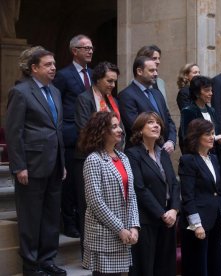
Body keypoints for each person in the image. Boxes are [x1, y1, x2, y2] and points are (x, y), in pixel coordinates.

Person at [5, 48, 67, 276]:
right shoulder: (20, 92)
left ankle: (47, 260)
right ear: (34, 68)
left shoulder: (55, 92)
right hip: (31, 166)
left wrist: (62, 163)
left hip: (54, 165)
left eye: (54, 64)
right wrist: (19, 165)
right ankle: (31, 266)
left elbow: (56, 130)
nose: (53, 68)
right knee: (31, 219)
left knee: (51, 216)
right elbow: (14, 132)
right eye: (48, 64)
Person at [79, 111, 139, 275]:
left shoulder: (123, 157)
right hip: (104, 235)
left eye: (119, 125)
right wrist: (120, 228)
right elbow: (95, 201)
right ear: (102, 131)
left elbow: (131, 195)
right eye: (114, 126)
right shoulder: (93, 160)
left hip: (125, 232)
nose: (120, 129)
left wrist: (134, 226)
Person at [125, 112, 180, 276]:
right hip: (147, 220)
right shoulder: (132, 154)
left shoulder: (163, 153)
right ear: (140, 129)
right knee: (146, 268)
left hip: (168, 219)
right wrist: (162, 213)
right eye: (150, 122)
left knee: (166, 268)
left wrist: (174, 210)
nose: (157, 125)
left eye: (158, 123)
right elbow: (140, 188)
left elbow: (174, 184)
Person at [74, 61, 122, 249]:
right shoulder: (84, 99)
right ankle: (89, 250)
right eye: (109, 81)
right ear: (97, 79)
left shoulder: (112, 100)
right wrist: (103, 152)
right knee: (89, 206)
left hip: (113, 158)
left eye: (114, 81)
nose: (112, 85)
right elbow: (84, 130)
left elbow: (120, 127)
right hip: (90, 159)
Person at [53, 34, 94, 238]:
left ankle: (81, 220)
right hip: (71, 136)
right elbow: (57, 104)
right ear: (74, 51)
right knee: (69, 184)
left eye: (91, 48)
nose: (89, 51)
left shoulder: (95, 74)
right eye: (85, 47)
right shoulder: (63, 75)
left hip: (92, 137)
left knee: (85, 184)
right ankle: (68, 221)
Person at [179, 118, 221, 276]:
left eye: (213, 133)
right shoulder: (188, 160)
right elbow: (188, 196)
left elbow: (219, 191)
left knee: (215, 265)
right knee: (198, 267)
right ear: (196, 137)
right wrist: (196, 225)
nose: (211, 137)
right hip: (198, 223)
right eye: (207, 134)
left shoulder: (213, 159)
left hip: (214, 220)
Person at [118, 56, 176, 152]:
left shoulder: (157, 93)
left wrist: (171, 141)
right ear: (139, 71)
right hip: (141, 152)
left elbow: (168, 120)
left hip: (163, 151)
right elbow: (135, 126)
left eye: (156, 70)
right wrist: (162, 145)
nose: (156, 74)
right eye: (151, 71)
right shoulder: (126, 95)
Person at [180, 76, 221, 149]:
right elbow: (188, 138)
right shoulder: (188, 111)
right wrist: (214, 139)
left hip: (214, 154)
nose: (211, 93)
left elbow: (217, 132)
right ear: (197, 93)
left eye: (211, 90)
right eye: (207, 91)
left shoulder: (212, 110)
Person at [176, 63, 201, 152]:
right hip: (189, 132)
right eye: (195, 72)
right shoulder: (184, 92)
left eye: (199, 72)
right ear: (186, 75)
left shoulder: (198, 91)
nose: (198, 75)